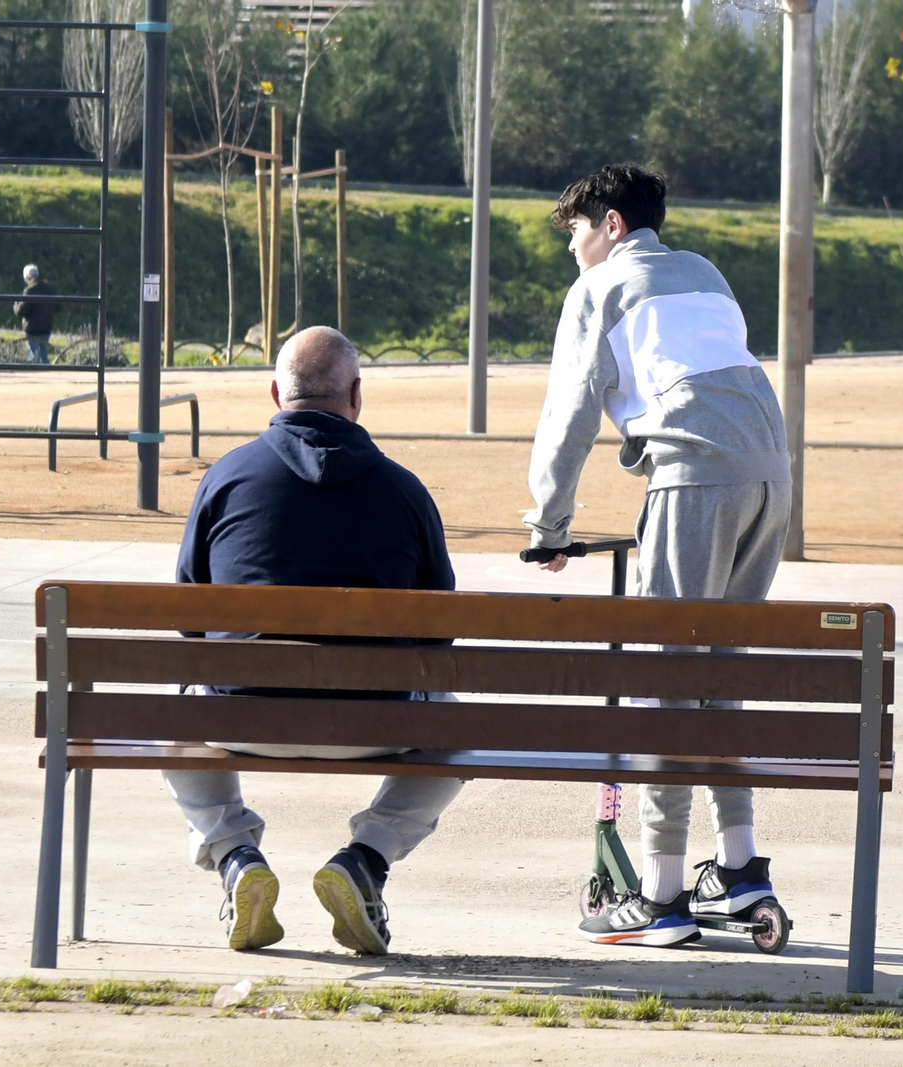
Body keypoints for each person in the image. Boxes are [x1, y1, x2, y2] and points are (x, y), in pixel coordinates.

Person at [524, 164, 791, 947]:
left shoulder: (600, 288)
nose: (572, 250)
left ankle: (663, 891)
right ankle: (739, 868)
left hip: (695, 475)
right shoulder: (705, 272)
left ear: (610, 224)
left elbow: (569, 411)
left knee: (666, 682)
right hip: (770, 474)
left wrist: (548, 525)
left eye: (575, 232)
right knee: (721, 673)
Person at [166, 325, 463, 955]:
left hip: (239, 714)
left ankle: (235, 856)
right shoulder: (403, 490)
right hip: (374, 723)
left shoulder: (226, 478)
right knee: (457, 728)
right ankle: (366, 859)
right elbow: (442, 633)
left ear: (276, 393)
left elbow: (188, 619)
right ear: (356, 396)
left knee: (176, 704)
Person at [13, 264, 59, 364]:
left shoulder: (29, 290)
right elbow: (59, 307)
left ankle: (36, 374)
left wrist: (16, 305)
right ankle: (47, 373)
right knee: (44, 354)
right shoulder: (50, 288)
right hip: (47, 326)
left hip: (32, 328)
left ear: (28, 278)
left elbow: (21, 311)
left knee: (34, 357)